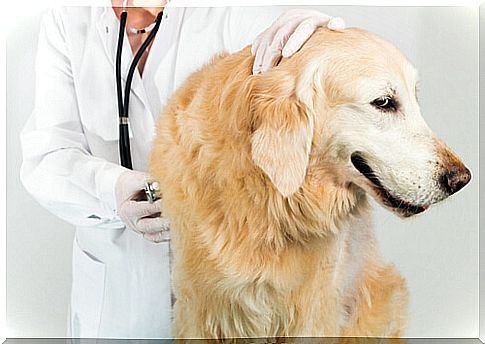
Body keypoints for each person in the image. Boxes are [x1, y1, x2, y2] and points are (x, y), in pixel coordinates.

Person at [20, 0, 345, 339]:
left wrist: (306, 30)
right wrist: (112, 189)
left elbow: (292, 46)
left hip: (226, 300)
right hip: (114, 300)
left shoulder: (229, 12)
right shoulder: (66, 19)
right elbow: (48, 156)